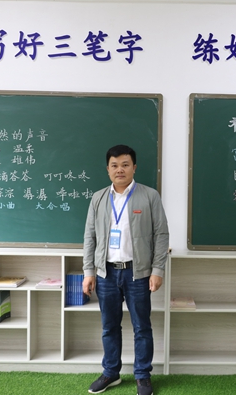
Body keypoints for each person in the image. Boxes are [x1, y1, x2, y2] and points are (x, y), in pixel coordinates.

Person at [82, 144, 169, 395]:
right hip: (106, 274)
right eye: (114, 165)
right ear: (108, 169)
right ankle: (111, 373)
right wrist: (89, 272)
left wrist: (157, 270)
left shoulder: (149, 196)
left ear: (134, 167)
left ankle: (142, 375)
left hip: (137, 273)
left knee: (142, 327)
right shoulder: (98, 198)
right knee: (109, 326)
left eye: (125, 164)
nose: (119, 169)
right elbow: (89, 236)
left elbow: (161, 234)